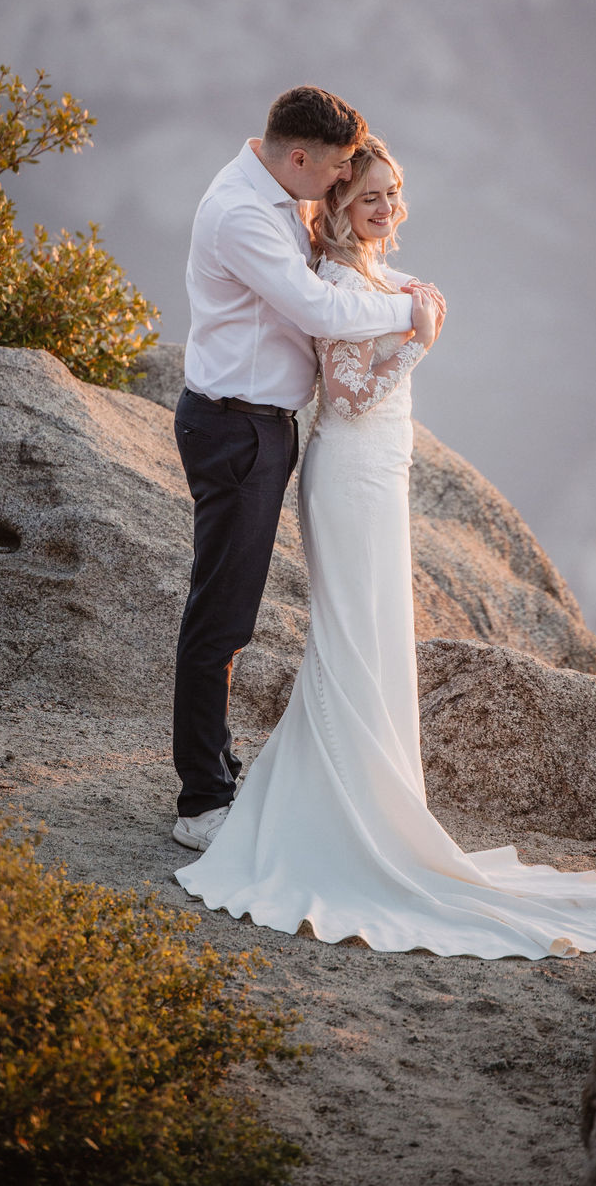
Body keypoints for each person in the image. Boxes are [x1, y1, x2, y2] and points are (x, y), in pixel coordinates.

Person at [175, 137, 596, 960]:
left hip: (379, 472)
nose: (388, 210)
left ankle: (366, 792)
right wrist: (417, 334)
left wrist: (409, 291)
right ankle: (316, 805)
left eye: (394, 194)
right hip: (351, 470)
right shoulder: (329, 278)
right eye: (370, 199)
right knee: (353, 634)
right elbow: (351, 390)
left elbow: (383, 293)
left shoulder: (361, 267)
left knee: (379, 634)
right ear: (335, 202)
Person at [172, 87, 423, 852]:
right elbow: (319, 308)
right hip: (235, 427)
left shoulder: (281, 191)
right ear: (300, 158)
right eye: (341, 170)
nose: (342, 185)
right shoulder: (242, 214)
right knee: (222, 617)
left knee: (230, 610)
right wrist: (413, 313)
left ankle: (220, 772)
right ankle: (201, 803)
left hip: (263, 427)